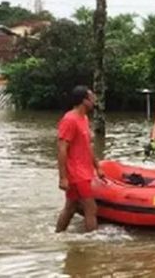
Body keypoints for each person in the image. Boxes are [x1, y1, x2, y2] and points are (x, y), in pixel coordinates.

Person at [55, 85, 104, 233]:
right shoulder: (69, 120)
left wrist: (97, 166)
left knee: (70, 207)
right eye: (91, 97)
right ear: (84, 101)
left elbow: (87, 145)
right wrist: (63, 177)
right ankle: (93, 242)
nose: (94, 99)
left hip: (84, 170)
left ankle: (58, 234)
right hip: (76, 172)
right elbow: (62, 148)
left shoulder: (84, 118)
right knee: (91, 208)